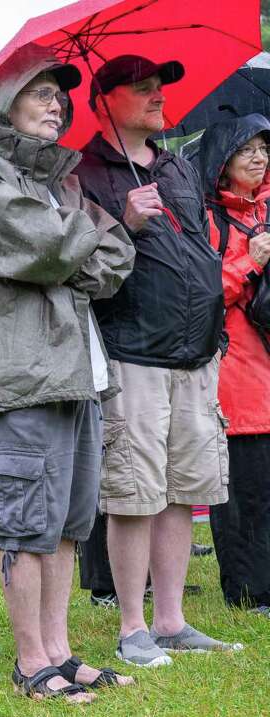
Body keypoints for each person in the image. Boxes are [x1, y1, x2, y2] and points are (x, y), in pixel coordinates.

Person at [0, 44, 137, 701]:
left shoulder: (57, 183)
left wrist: (68, 239)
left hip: (75, 369)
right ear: (4, 103)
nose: (59, 104)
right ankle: (30, 662)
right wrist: (71, 238)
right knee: (27, 523)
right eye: (42, 92)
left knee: (68, 524)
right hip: (15, 372)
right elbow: (49, 247)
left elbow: (113, 262)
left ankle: (61, 651)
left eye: (61, 94)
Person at [74, 54, 241, 666]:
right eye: (140, 89)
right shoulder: (86, 172)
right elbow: (81, 268)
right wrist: (122, 222)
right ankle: (132, 626)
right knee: (136, 491)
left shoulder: (175, 166)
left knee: (182, 488)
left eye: (159, 87)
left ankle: (172, 621)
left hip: (196, 353)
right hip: (134, 353)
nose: (156, 97)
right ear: (105, 101)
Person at [199, 113, 270, 616]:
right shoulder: (209, 220)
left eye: (265, 148)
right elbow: (201, 296)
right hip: (237, 376)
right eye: (247, 148)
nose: (259, 156)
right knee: (243, 494)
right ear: (221, 163)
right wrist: (251, 260)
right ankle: (247, 591)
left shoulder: (267, 213)